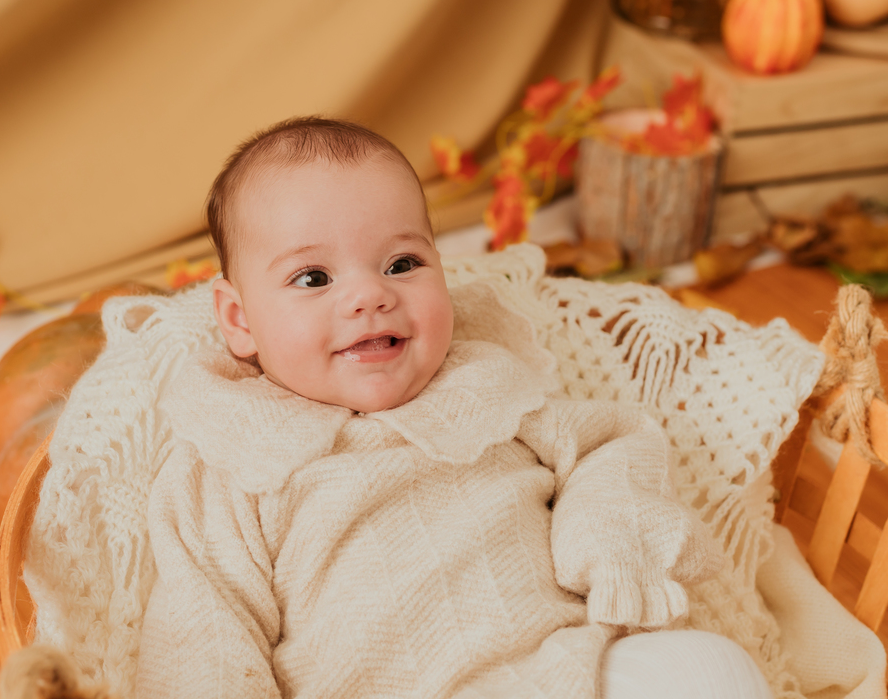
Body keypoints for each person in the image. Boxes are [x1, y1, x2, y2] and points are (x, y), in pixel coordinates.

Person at [134, 116, 773, 698]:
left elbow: (612, 443)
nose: (368, 295)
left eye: (402, 262)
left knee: (708, 668)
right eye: (314, 278)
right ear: (240, 320)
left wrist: (610, 547)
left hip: (566, 671)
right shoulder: (230, 457)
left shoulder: (487, 387)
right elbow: (203, 630)